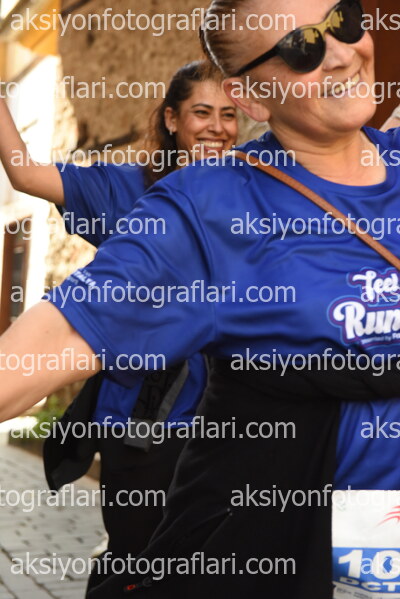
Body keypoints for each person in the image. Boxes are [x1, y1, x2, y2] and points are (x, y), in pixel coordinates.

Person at [0, 0, 400, 595]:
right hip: (318, 556)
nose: (342, 53)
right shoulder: (204, 209)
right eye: (303, 47)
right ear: (253, 98)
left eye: (344, 19)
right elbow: (44, 347)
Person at [0, 60, 237, 592]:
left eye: (228, 114)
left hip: (224, 420)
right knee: (137, 558)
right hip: (144, 422)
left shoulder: (250, 194)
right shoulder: (127, 188)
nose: (217, 127)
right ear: (172, 119)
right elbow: (25, 173)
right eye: (202, 112)